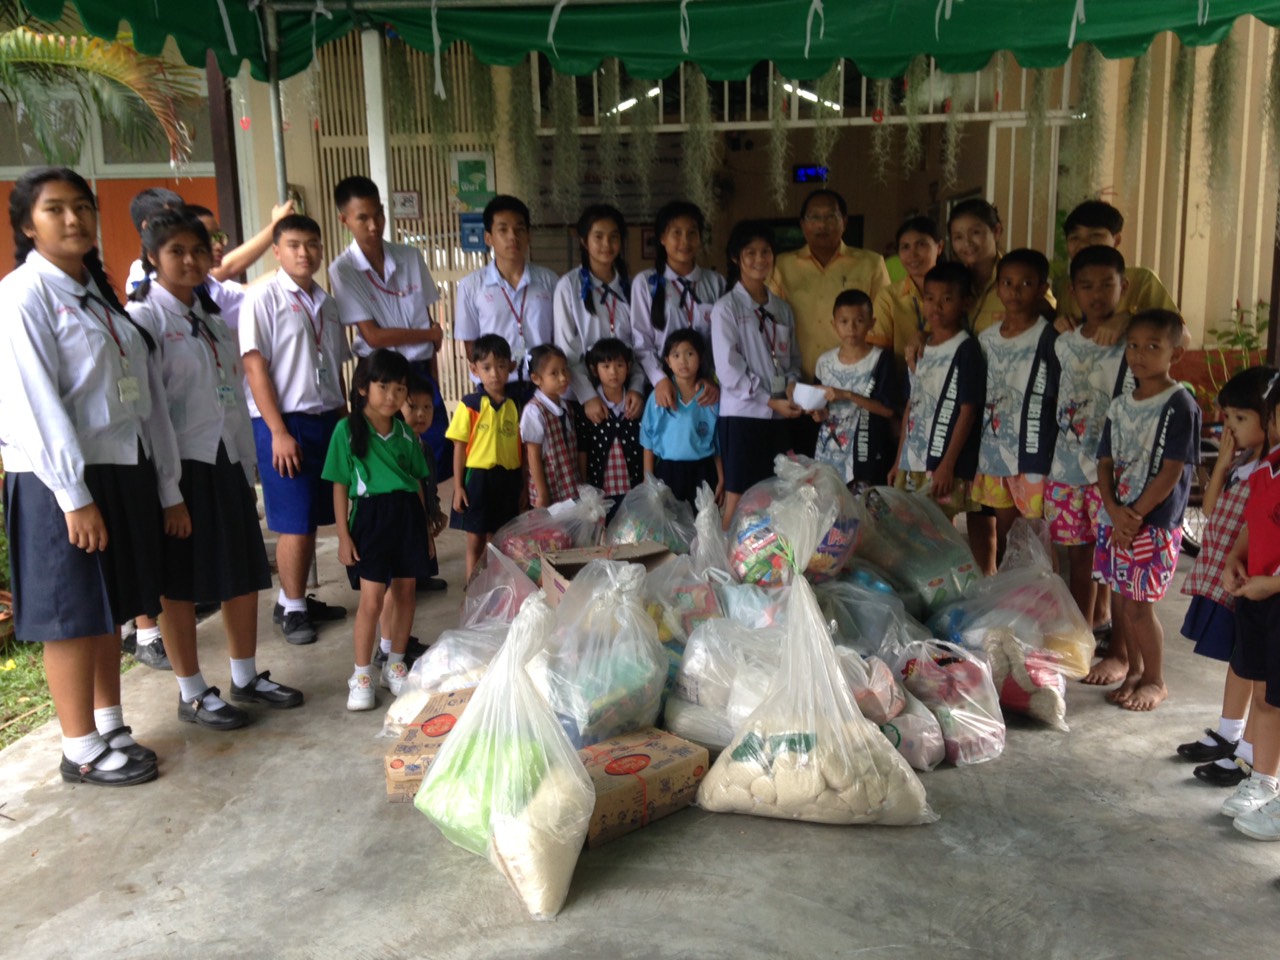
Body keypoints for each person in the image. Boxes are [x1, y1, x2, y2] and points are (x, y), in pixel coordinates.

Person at [0, 166, 184, 786]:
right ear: (28, 226)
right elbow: (32, 404)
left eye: (82, 206)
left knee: (109, 607)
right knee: (73, 613)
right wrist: (73, 496)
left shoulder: (96, 293)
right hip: (59, 480)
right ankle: (79, 748)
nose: (73, 218)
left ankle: (108, 724)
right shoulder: (23, 295)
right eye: (55, 209)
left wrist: (157, 482)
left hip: (116, 466)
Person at [127, 209, 303, 730]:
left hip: (225, 458)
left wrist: (246, 467)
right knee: (180, 583)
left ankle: (245, 677)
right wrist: (168, 491)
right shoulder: (145, 318)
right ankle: (192, 691)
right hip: (180, 467)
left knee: (240, 572)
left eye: (198, 251)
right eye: (176, 251)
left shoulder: (209, 316)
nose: (190, 260)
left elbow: (232, 398)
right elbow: (151, 413)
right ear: (153, 257)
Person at [240, 214, 351, 645]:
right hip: (285, 422)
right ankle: (292, 610)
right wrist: (278, 431)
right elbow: (255, 368)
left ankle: (295, 598)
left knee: (316, 514)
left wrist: (344, 420)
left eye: (312, 244)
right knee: (295, 520)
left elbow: (335, 369)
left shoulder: (327, 303)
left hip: (326, 419)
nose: (305, 253)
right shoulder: (262, 298)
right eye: (294, 245)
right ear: (277, 251)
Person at [1092, 309, 1201, 712]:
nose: (1139, 354)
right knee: (1122, 602)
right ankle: (1134, 671)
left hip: (1151, 525)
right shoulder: (1120, 405)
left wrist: (1133, 515)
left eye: (1153, 346)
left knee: (1140, 606)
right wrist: (1112, 509)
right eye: (1133, 345)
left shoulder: (1179, 405)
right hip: (1116, 520)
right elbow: (1105, 462)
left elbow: (1172, 471)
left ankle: (1155, 680)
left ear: (1176, 353)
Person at [1174, 367, 1274, 786]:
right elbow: (1211, 508)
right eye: (1227, 417)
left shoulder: (1269, 467)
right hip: (1232, 576)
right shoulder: (1246, 463)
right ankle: (1229, 733)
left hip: (1257, 581)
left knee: (1256, 671)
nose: (1230, 427)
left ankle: (1248, 755)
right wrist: (1224, 464)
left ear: (1269, 420)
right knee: (1240, 662)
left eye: (1240, 418)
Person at [323, 350, 433, 711]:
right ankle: (362, 675)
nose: (391, 396)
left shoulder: (405, 433)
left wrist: (425, 529)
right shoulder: (346, 431)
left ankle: (395, 664)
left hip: (407, 517)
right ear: (362, 388)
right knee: (371, 600)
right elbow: (339, 485)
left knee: (406, 593)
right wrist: (343, 535)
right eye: (383, 386)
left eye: (399, 389)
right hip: (371, 518)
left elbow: (416, 481)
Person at [328, 175, 451, 486]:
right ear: (344, 220)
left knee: (430, 458)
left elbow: (428, 323)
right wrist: (428, 335)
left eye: (378, 214)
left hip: (418, 372)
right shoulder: (342, 269)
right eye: (363, 218)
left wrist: (432, 376)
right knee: (381, 460)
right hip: (378, 376)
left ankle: (426, 514)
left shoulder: (410, 257)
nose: (374, 226)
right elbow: (373, 336)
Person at [1045, 246, 1132, 644]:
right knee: (1078, 556)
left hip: (1111, 471)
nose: (1096, 294)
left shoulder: (1132, 341)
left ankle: (1115, 640)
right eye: (1086, 286)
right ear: (1072, 291)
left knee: (1111, 560)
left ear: (1123, 287)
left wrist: (1129, 321)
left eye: (1106, 285)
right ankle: (1083, 635)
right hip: (1066, 468)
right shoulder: (1062, 342)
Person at [769, 189, 891, 457]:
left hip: (857, 392)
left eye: (830, 216)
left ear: (844, 221)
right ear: (802, 224)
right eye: (814, 217)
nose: (822, 225)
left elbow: (882, 325)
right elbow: (770, 326)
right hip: (801, 391)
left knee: (858, 469)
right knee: (806, 469)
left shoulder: (871, 263)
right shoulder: (782, 266)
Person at [968, 248, 1059, 572]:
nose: (1015, 291)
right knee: (1008, 534)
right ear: (998, 287)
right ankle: (1013, 595)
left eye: (1026, 283)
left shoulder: (1050, 337)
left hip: (1034, 452)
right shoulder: (986, 339)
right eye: (1007, 283)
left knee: (1038, 534)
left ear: (1042, 288)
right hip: (994, 453)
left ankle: (1044, 595)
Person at [711, 221, 808, 524]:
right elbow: (728, 370)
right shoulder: (726, 308)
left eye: (766, 252)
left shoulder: (782, 309)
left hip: (780, 416)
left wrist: (791, 385)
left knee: (777, 494)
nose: (759, 259)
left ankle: (766, 551)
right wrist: (769, 399)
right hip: (743, 415)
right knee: (738, 497)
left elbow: (792, 359)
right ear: (736, 258)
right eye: (750, 252)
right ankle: (723, 553)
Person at [1219, 377, 1280, 836]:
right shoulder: (1267, 469)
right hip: (1260, 598)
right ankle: (1263, 781)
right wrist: (1235, 560)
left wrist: (1271, 584)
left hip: (1271, 593)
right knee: (1265, 695)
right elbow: (1252, 523)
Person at [887, 262, 984, 518]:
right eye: (930, 298)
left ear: (966, 303)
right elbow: (911, 405)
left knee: (938, 529)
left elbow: (968, 410)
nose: (936, 307)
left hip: (942, 462)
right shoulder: (920, 347)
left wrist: (948, 464)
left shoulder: (966, 349)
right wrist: (899, 460)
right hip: (912, 460)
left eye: (947, 299)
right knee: (909, 529)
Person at [454, 195, 557, 397]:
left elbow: (557, 336)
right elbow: (470, 343)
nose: (512, 237)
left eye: (519, 229)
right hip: (495, 387)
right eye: (503, 230)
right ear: (488, 238)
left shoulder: (549, 281)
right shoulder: (471, 286)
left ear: (528, 235)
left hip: (543, 385)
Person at [630, 200, 724, 410]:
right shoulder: (646, 283)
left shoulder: (715, 282)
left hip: (706, 390)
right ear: (662, 238)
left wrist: (713, 379)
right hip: (664, 389)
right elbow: (641, 342)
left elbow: (722, 342)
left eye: (692, 233)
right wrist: (660, 380)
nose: (685, 241)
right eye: (677, 233)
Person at [554, 204, 645, 420]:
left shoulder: (631, 286)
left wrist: (636, 387)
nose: (607, 244)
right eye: (598, 236)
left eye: (614, 237)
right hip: (586, 398)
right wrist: (588, 396)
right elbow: (567, 349)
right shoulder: (569, 286)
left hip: (627, 398)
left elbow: (641, 344)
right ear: (584, 241)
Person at [446, 334, 524, 581]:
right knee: (475, 539)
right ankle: (472, 590)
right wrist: (459, 487)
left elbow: (520, 447)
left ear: (511, 367)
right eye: (487, 367)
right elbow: (459, 448)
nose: (495, 374)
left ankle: (494, 588)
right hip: (478, 480)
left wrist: (523, 485)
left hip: (508, 479)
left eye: (501, 366)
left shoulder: (515, 405)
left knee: (500, 538)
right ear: (474, 369)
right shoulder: (470, 405)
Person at [1050, 200, 1177, 338]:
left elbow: (1182, 337)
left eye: (1095, 235)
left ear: (1116, 240)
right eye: (1074, 237)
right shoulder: (1066, 285)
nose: (1083, 244)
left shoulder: (1142, 279)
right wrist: (1060, 324)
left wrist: (1130, 318)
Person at [813, 289, 897, 492]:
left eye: (859, 321)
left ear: (872, 323)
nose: (851, 328)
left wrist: (847, 395)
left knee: (865, 507)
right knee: (831, 507)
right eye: (844, 321)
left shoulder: (880, 360)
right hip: (828, 452)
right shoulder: (824, 362)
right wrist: (818, 413)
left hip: (865, 454)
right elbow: (818, 407)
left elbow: (887, 410)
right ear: (834, 324)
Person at [640, 329, 723, 508]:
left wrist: (722, 478)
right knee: (671, 520)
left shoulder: (710, 398)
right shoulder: (658, 396)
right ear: (667, 362)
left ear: (701, 358)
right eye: (676, 355)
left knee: (703, 520)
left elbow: (717, 444)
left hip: (703, 471)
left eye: (690, 354)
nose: (683, 361)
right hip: (668, 472)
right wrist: (648, 481)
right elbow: (648, 442)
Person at [578, 337, 645, 518]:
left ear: (629, 367)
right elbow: (583, 449)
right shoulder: (588, 410)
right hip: (600, 493)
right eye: (606, 366)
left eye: (619, 365)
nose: (613, 372)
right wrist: (583, 485)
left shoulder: (637, 406)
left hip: (634, 490)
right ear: (594, 370)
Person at [870, 216, 944, 379]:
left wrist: (928, 336)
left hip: (949, 381)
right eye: (905, 247)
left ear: (939, 247)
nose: (912, 254)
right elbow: (879, 353)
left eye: (921, 245)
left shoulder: (954, 290)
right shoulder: (889, 297)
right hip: (901, 383)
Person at [400, 375, 449, 595]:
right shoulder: (399, 448)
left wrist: (435, 510)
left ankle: (420, 577)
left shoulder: (426, 448)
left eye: (427, 407)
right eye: (412, 407)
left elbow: (430, 485)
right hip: (405, 515)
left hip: (423, 512)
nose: (421, 413)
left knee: (423, 548)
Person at [521, 343, 581, 508]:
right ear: (536, 379)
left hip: (568, 486)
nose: (563, 378)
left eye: (564, 370)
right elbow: (533, 456)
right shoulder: (534, 411)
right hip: (550, 490)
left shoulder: (566, 407)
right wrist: (542, 493)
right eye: (554, 373)